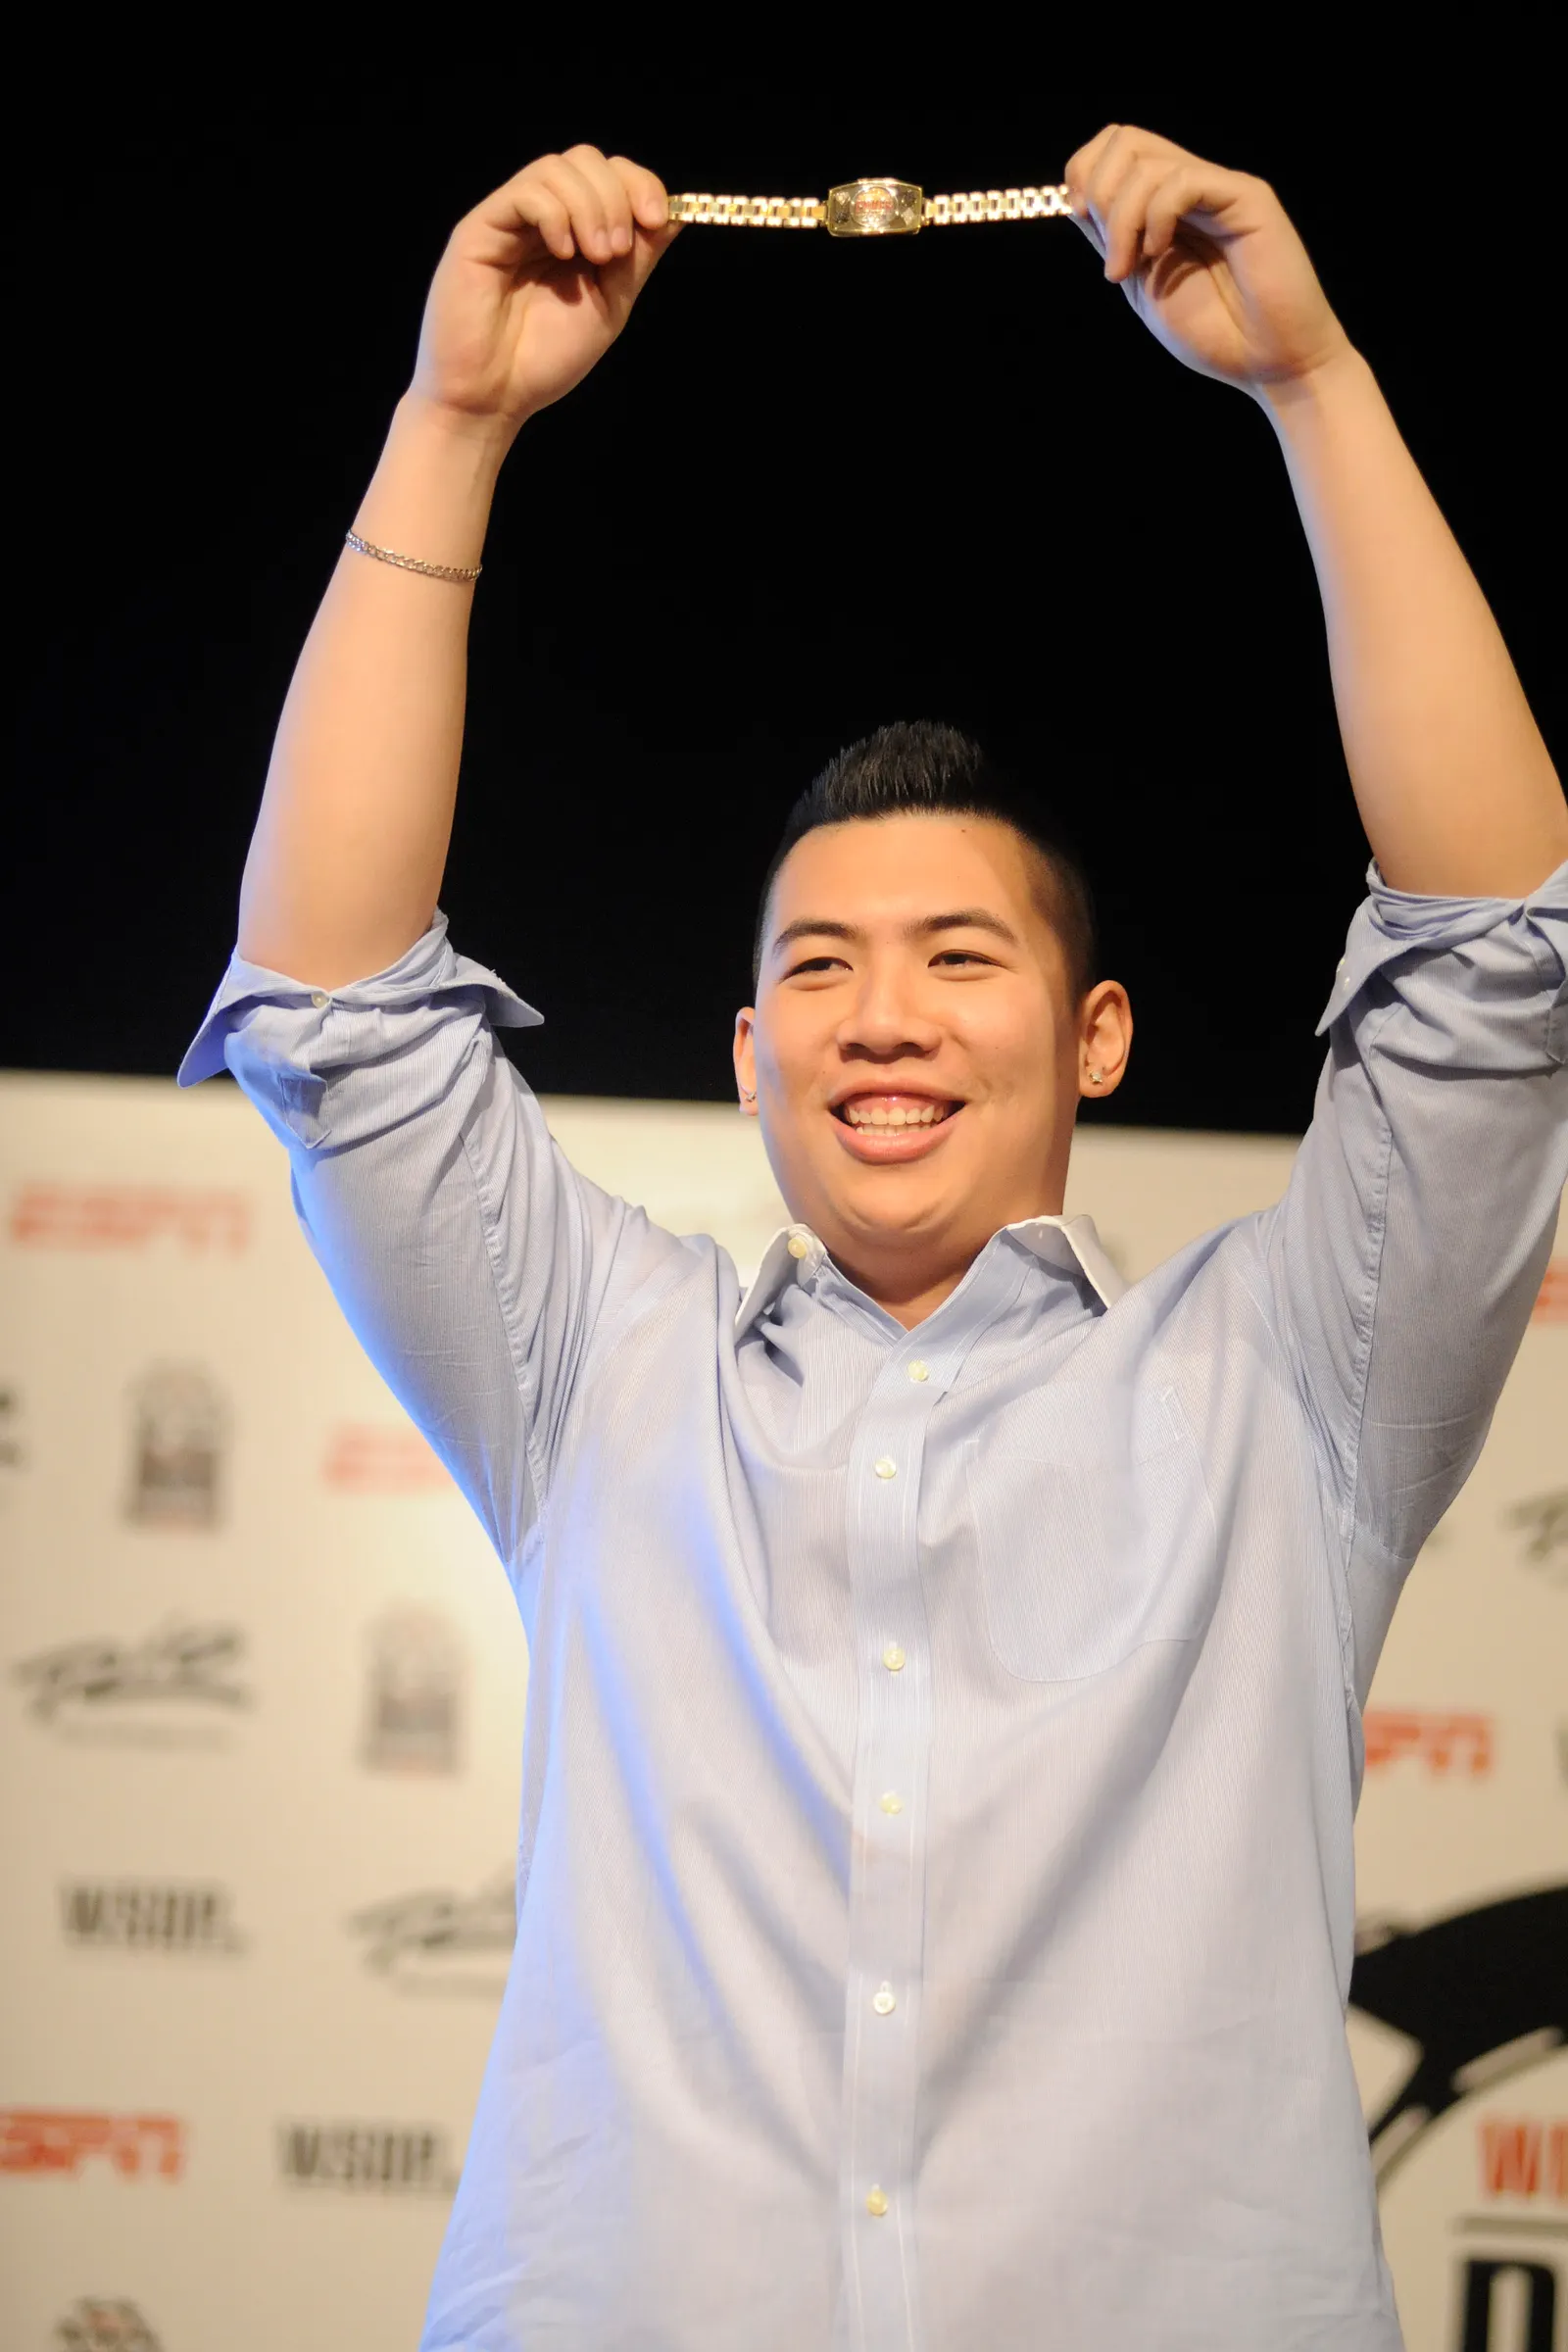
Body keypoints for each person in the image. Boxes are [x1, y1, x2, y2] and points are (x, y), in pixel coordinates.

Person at [179, 124, 1567, 2352]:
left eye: (957, 958)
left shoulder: (1289, 1387)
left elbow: (1496, 962)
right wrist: (450, 422)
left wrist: (1311, 387)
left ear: (1097, 1037)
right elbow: (332, 1007)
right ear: (748, 1054)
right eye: (817, 968)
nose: (883, 1018)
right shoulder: (595, 1376)